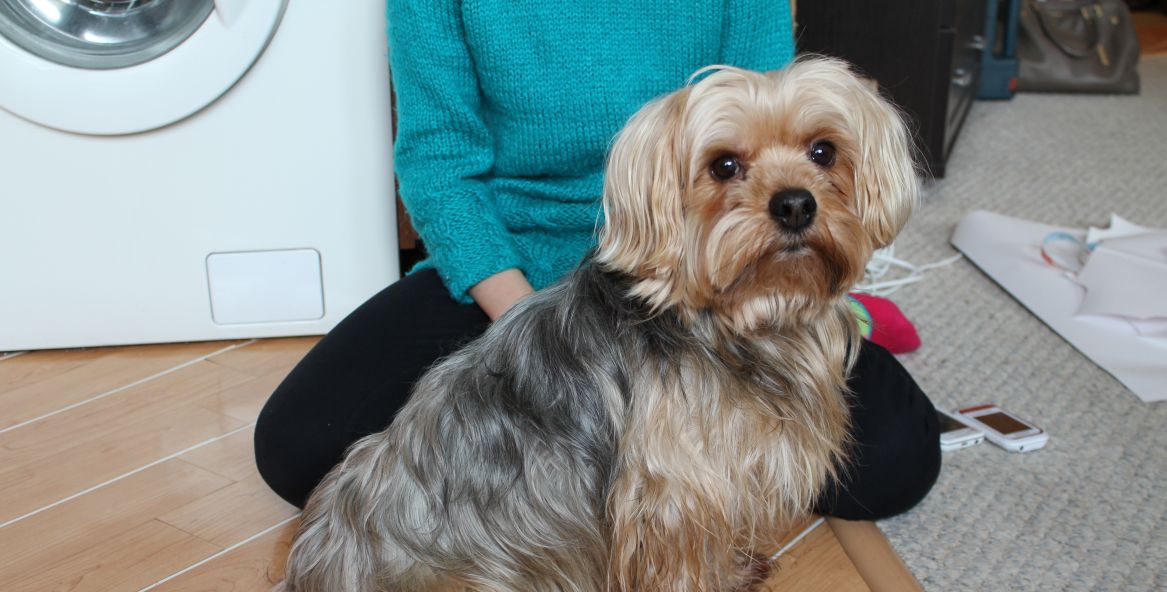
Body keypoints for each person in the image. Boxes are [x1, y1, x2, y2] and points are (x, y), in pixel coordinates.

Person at [253, 0, 941, 520]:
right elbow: (439, 164)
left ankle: (642, 482)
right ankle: (630, 489)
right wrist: (536, 336)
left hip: (697, 267)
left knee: (898, 458)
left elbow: (769, 132)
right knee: (300, 448)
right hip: (517, 265)